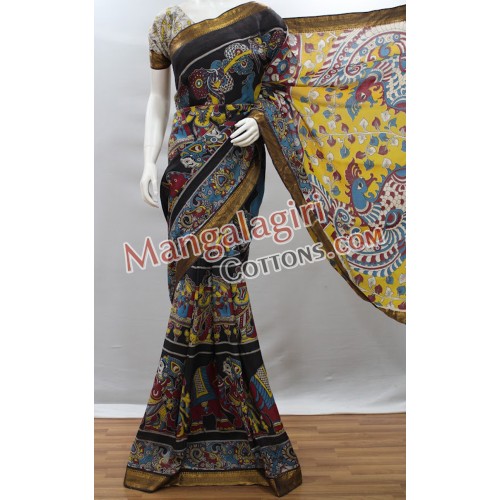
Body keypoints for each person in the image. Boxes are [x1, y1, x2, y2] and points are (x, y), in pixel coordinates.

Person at [123, 1, 406, 496]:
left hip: (237, 165)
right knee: (190, 290)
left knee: (224, 288)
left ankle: (240, 430)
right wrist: (148, 162)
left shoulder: (261, 20)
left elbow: (281, 92)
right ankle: (187, 428)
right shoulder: (167, 22)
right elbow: (158, 98)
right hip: (184, 171)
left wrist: (258, 116)